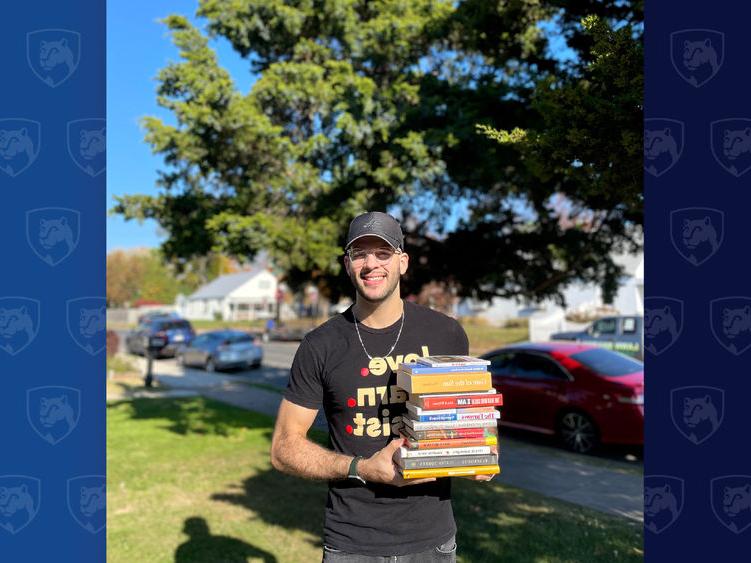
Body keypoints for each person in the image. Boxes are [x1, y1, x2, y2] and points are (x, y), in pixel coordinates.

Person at [270, 211, 491, 562]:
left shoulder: (446, 333)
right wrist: (361, 468)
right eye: (360, 254)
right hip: (353, 543)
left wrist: (475, 452)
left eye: (383, 253)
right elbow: (283, 448)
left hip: (431, 541)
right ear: (347, 264)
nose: (371, 264)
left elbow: (462, 419)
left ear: (403, 262)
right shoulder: (320, 345)